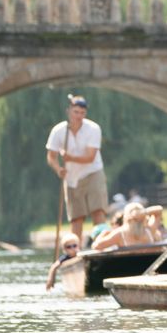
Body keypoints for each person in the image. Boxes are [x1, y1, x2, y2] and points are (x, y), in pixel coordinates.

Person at [45, 94, 108, 242]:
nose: (78, 116)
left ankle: (102, 244)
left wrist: (70, 158)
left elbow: (90, 157)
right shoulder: (59, 131)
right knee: (76, 217)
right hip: (72, 178)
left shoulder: (93, 128)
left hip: (93, 172)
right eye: (76, 112)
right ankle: (76, 250)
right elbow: (51, 156)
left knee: (98, 211)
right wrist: (58, 169)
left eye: (82, 113)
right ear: (69, 111)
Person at [91, 202, 156, 250]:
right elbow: (97, 246)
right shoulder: (150, 230)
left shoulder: (149, 230)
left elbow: (96, 246)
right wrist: (142, 213)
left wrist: (103, 233)